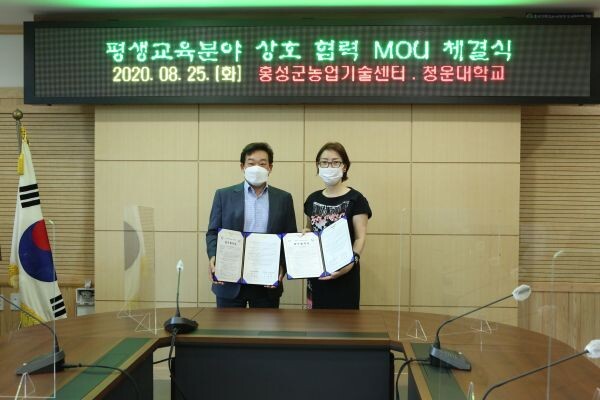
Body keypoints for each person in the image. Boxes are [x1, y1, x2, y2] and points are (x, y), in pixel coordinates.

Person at [206, 142, 297, 308]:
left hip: (266, 281)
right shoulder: (223, 195)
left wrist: (282, 266)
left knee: (265, 326)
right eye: (251, 163)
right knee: (228, 325)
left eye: (262, 164)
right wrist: (213, 256)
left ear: (270, 167)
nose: (257, 168)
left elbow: (289, 238)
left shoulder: (283, 198)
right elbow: (212, 232)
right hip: (229, 280)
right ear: (242, 166)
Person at [304, 142, 372, 309]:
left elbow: (360, 237)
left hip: (345, 273)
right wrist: (305, 233)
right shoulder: (312, 199)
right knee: (315, 320)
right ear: (318, 166)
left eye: (335, 162)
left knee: (345, 321)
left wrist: (351, 262)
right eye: (324, 162)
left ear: (345, 167)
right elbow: (309, 228)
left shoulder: (356, 199)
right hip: (317, 273)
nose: (329, 167)